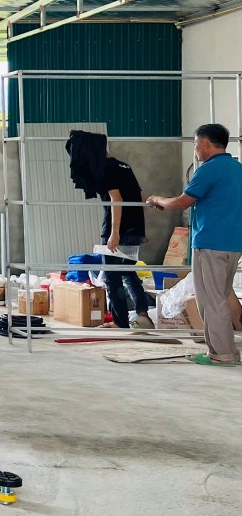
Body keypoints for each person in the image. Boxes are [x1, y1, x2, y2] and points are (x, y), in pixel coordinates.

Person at [146, 123, 242, 365]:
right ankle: (227, 352)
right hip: (233, 243)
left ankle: (222, 354)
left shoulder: (208, 169)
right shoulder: (237, 169)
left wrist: (157, 199)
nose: (196, 149)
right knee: (219, 296)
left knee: (210, 300)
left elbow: (182, 202)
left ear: (206, 144)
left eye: (196, 143)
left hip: (210, 242)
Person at [98, 149, 151, 329]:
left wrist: (114, 233)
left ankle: (119, 322)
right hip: (134, 229)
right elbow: (141, 198)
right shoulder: (124, 166)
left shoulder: (105, 168)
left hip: (118, 231)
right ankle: (142, 313)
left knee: (111, 276)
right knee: (128, 272)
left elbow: (116, 199)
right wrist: (140, 230)